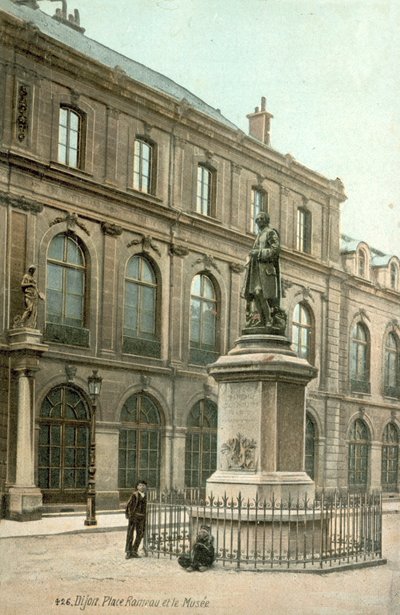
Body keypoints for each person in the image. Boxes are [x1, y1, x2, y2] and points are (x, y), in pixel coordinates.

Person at [242, 211, 285, 332]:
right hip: (256, 270)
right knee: (255, 293)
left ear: (266, 220)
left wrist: (259, 253)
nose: (259, 221)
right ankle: (262, 320)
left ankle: (269, 319)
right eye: (257, 219)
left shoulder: (270, 232)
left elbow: (275, 249)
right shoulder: (259, 235)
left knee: (260, 292)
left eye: (261, 219)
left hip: (266, 270)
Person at [125, 480, 148, 559]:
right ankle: (128, 552)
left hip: (142, 517)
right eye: (140, 485)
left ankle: (134, 550)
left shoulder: (146, 495)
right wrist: (130, 515)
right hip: (134, 517)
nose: (142, 487)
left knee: (140, 534)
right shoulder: (134, 495)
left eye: (144, 485)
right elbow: (128, 505)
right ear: (137, 487)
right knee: (130, 534)